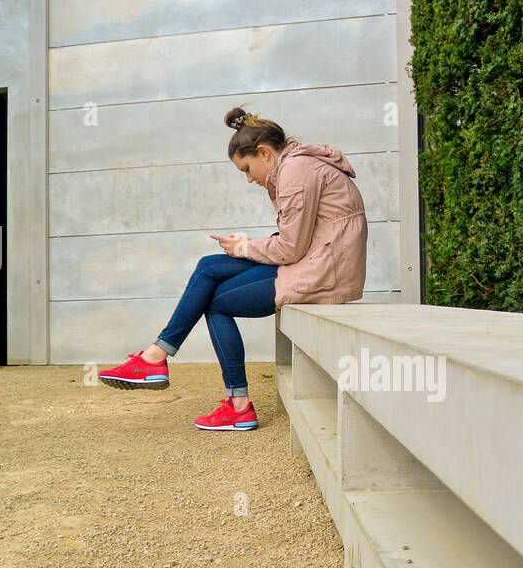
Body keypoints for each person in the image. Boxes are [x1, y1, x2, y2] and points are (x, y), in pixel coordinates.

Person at [98, 109, 368, 430]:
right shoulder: (295, 166)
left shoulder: (296, 171)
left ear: (264, 153)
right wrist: (248, 245)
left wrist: (244, 247)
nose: (250, 178)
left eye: (247, 169)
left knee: (212, 300)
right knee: (208, 267)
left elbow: (291, 247)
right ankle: (159, 360)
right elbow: (297, 240)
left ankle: (200, 383)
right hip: (313, 261)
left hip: (322, 273)